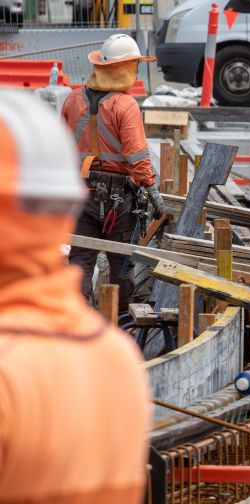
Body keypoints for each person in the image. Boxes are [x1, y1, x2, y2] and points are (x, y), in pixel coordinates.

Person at [0, 90, 152, 503]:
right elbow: (137, 152)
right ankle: (113, 313)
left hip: (94, 190)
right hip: (114, 192)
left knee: (88, 263)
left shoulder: (8, 369)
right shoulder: (117, 361)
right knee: (116, 270)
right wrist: (147, 180)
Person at [63, 33, 164, 312]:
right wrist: (152, 190)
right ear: (126, 68)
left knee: (81, 260)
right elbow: (138, 156)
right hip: (118, 199)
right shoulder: (124, 105)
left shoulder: (73, 100)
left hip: (81, 194)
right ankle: (119, 324)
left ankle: (75, 322)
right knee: (121, 263)